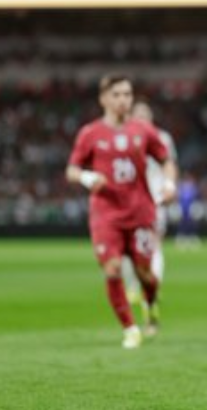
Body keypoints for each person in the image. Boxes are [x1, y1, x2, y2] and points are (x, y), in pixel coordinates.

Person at [66, 74, 176, 349]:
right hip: (106, 213)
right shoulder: (90, 133)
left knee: (145, 273)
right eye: (117, 94)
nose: (123, 100)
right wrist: (88, 179)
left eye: (127, 94)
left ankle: (151, 303)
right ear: (103, 99)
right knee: (113, 269)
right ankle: (130, 328)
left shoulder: (143, 130)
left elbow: (166, 160)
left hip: (140, 211)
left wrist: (170, 183)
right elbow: (71, 170)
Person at [121, 100, 178, 335]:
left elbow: (170, 165)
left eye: (147, 114)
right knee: (125, 251)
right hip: (125, 204)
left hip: (154, 202)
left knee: (153, 248)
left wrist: (169, 186)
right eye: (139, 114)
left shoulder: (161, 138)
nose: (143, 118)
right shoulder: (122, 136)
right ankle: (136, 287)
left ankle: (150, 296)